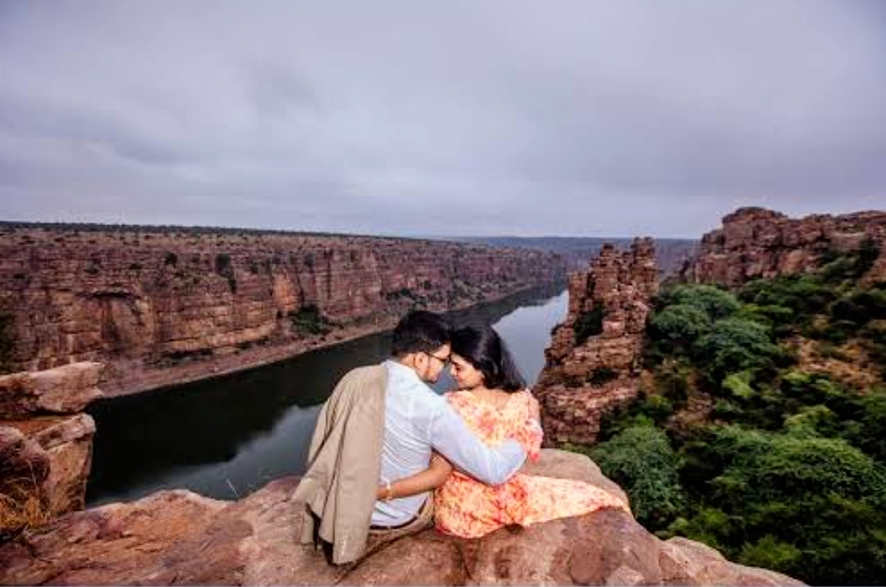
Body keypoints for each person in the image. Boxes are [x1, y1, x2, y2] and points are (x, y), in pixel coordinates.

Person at [295, 311, 532, 564]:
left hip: (344, 507)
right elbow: (493, 471)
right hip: (396, 518)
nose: (445, 370)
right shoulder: (431, 408)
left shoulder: (356, 378)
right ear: (420, 359)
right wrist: (524, 435)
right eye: (443, 360)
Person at [381, 324, 629, 539]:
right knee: (582, 494)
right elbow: (529, 446)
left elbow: (439, 469)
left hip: (460, 508)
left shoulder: (451, 405)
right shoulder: (523, 399)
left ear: (482, 367)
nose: (451, 372)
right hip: (503, 493)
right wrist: (534, 424)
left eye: (458, 367)